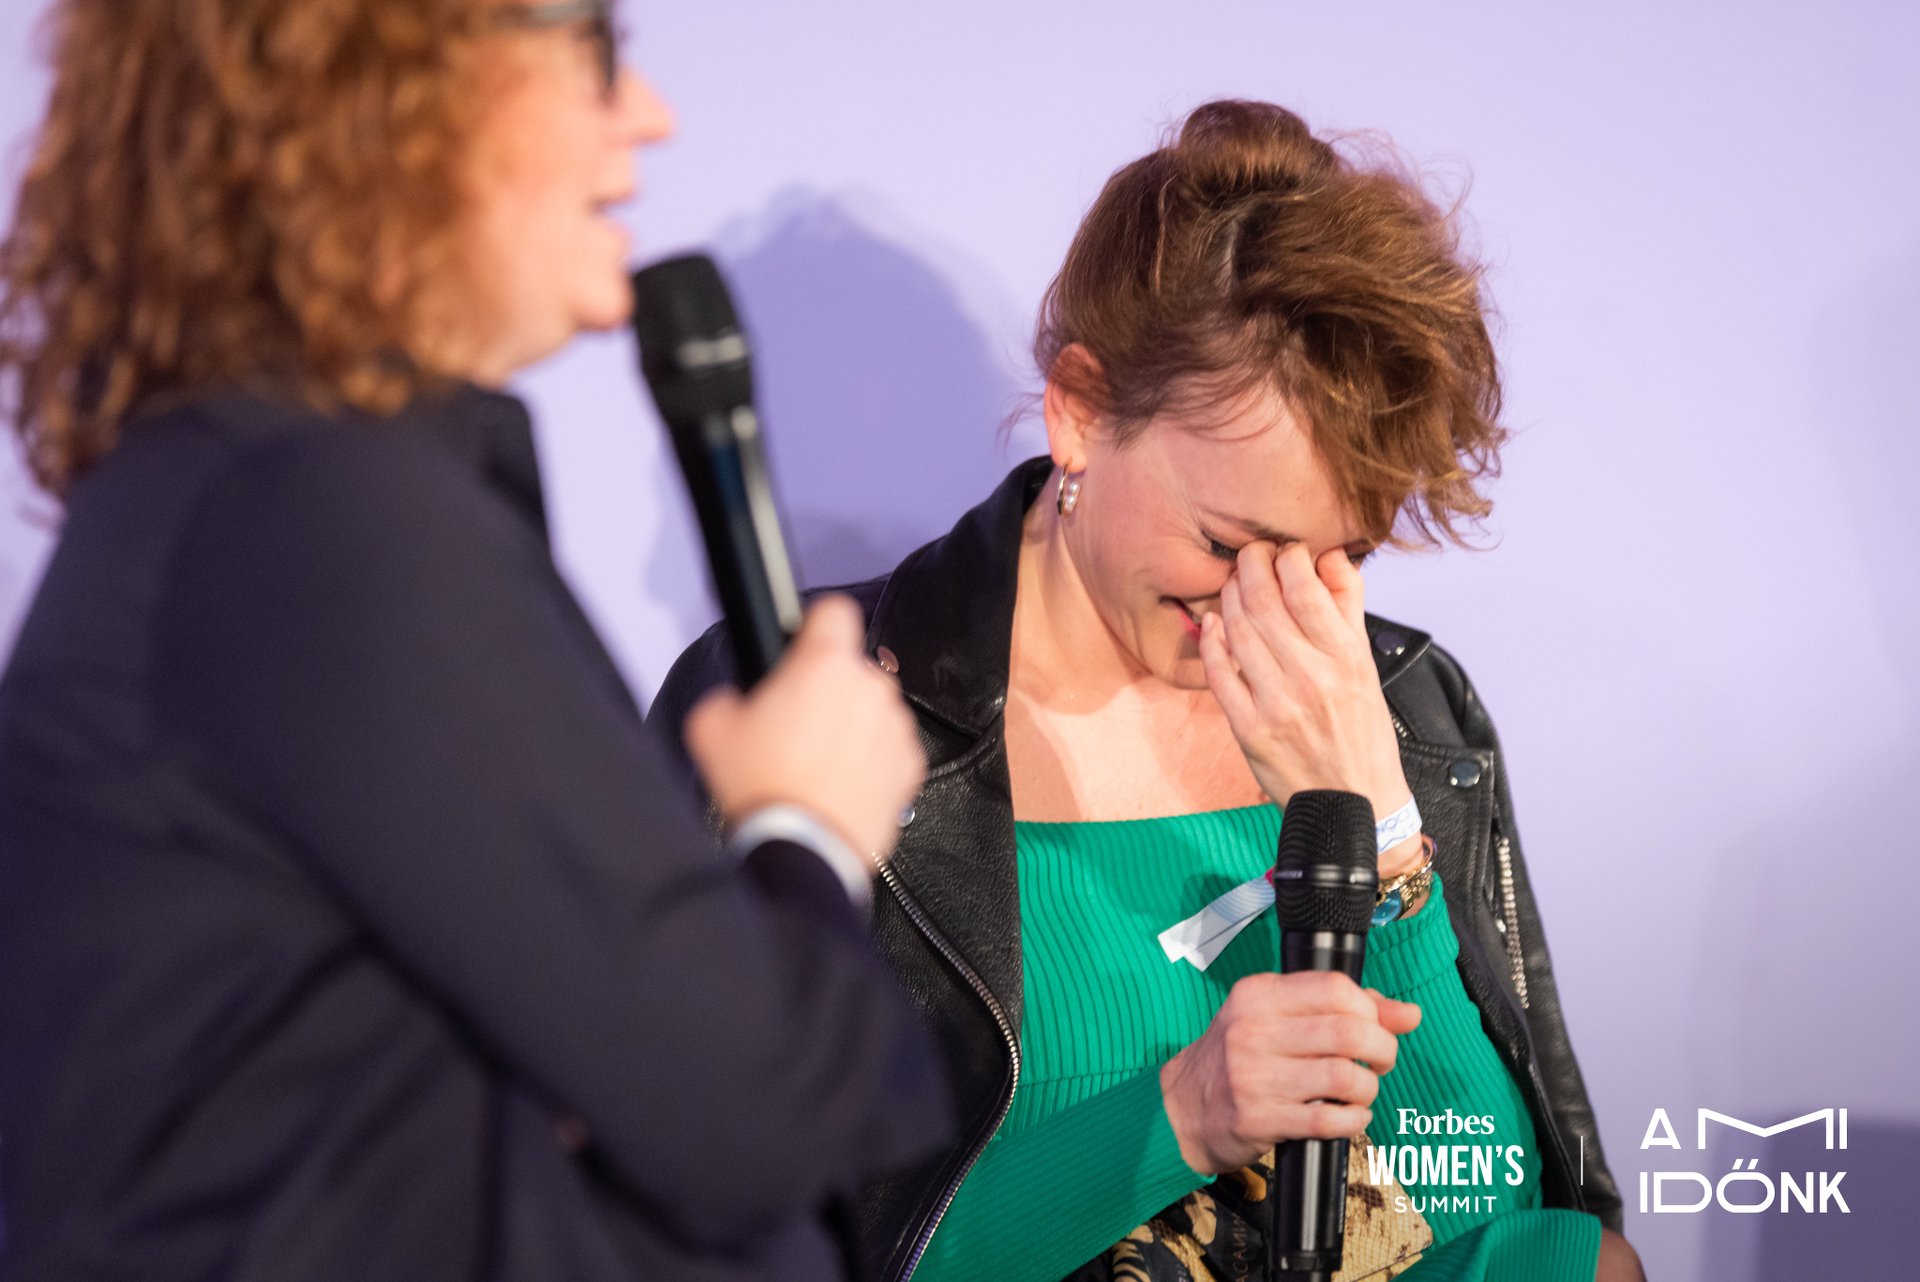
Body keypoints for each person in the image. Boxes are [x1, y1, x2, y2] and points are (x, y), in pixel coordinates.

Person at [0, 1, 951, 1278]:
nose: (650, 116)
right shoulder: (314, 518)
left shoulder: (276, 500)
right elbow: (750, 1106)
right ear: (393, 90)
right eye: (594, 55)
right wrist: (807, 825)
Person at [650, 101, 1645, 1281]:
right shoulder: (809, 703)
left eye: (1343, 556)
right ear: (1080, 409)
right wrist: (1181, 1115)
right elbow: (730, 1236)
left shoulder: (1409, 705)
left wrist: (1378, 826)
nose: (1271, 608)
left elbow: (1482, 1206)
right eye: (1229, 543)